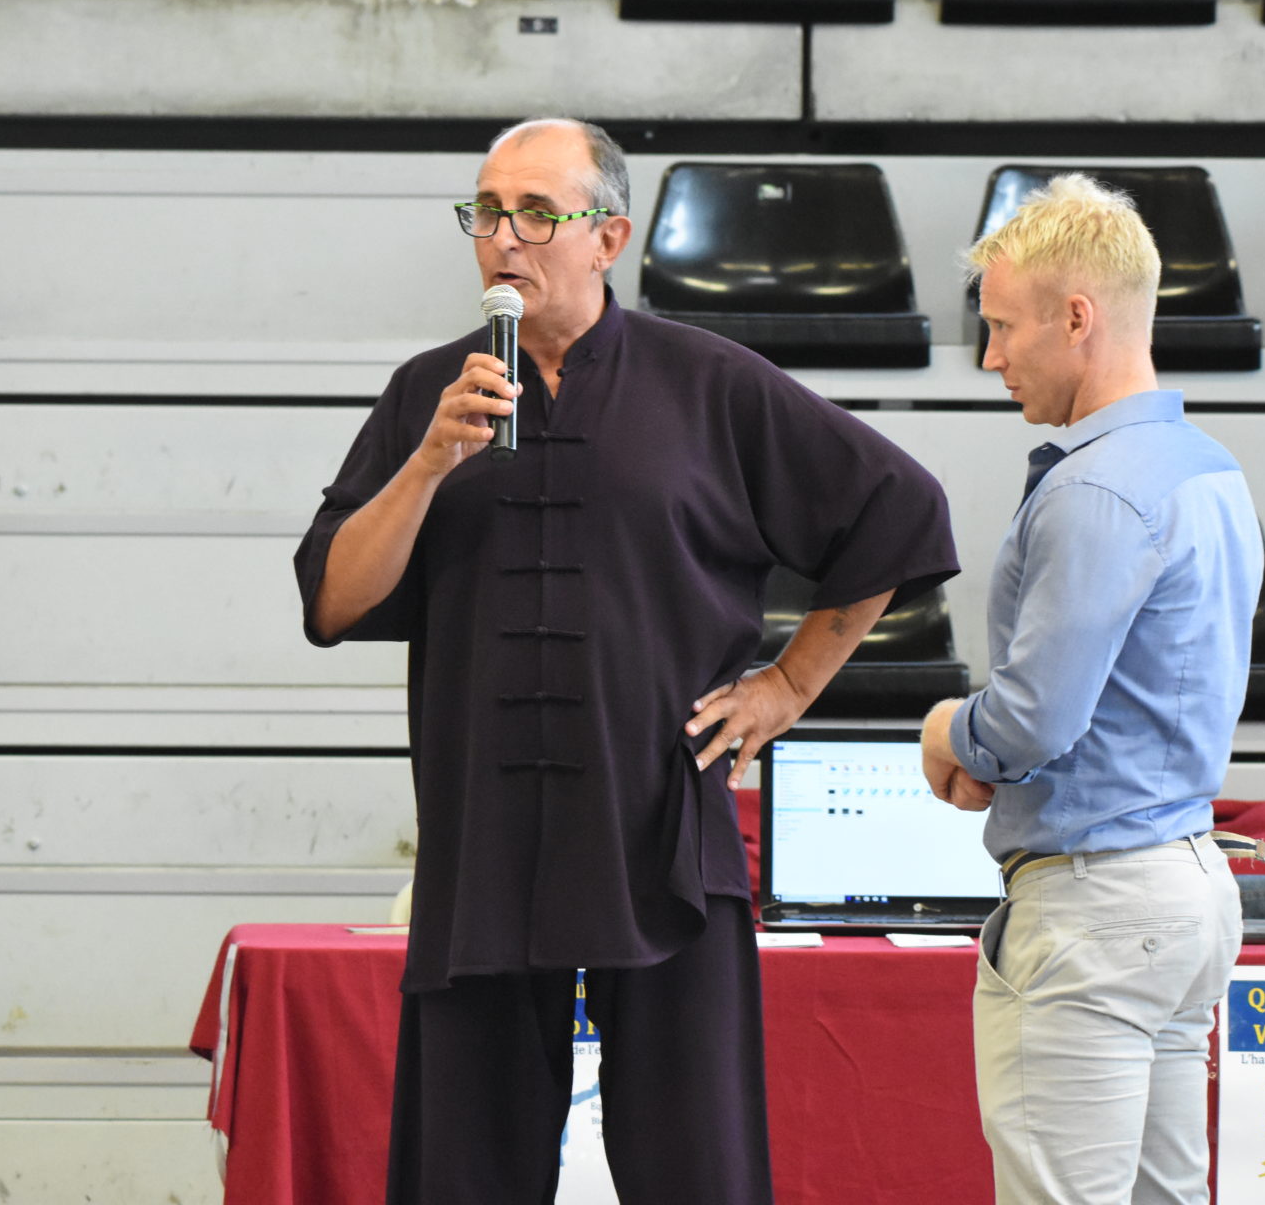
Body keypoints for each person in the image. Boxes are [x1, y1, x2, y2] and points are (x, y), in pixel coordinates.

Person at [295, 117, 958, 1203]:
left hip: (660, 832)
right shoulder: (428, 393)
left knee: (698, 1169)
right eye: (487, 213)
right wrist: (426, 466)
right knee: (461, 1175)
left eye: (536, 214)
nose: (504, 238)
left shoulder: (709, 384)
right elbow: (331, 599)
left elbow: (900, 511)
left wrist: (788, 685)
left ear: (609, 237)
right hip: (481, 845)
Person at [919, 173, 1260, 1204]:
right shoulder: (1210, 468)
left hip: (1097, 905)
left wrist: (948, 729)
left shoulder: (1095, 486)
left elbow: (1032, 720)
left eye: (1001, 326)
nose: (990, 356)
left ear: (1077, 318)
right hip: (1187, 884)